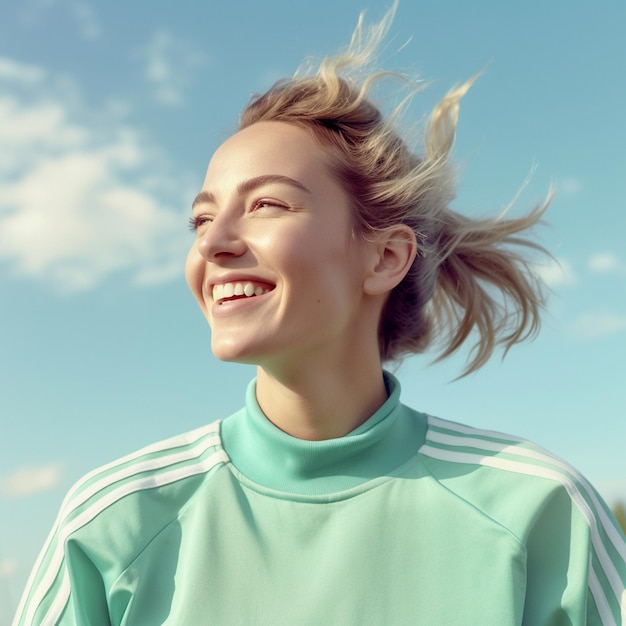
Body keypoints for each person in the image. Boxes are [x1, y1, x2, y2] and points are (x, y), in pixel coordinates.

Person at [14, 5, 626, 626]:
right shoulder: (109, 522)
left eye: (267, 204)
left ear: (385, 257)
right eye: (201, 218)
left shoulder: (542, 508)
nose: (213, 242)